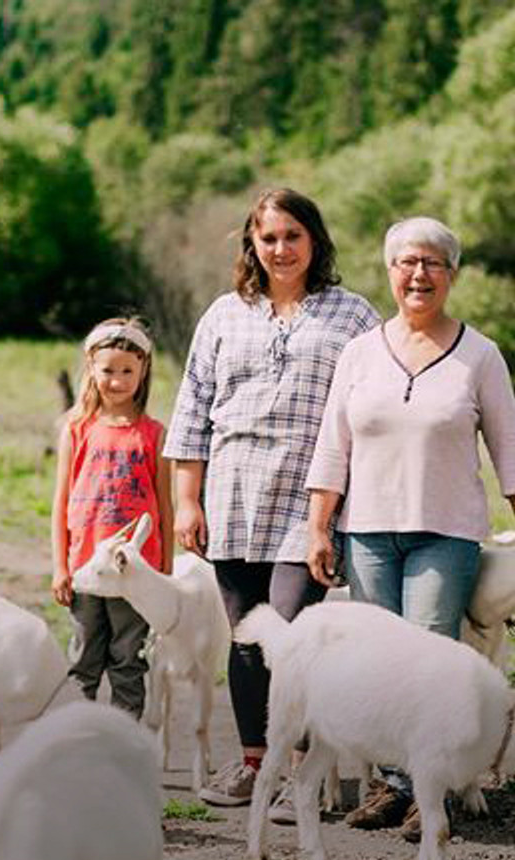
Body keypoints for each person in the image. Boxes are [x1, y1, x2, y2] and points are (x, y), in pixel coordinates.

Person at [303, 216, 515, 837]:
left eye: (433, 263)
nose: (419, 274)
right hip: (367, 532)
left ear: (452, 276)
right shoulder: (359, 352)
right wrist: (319, 527)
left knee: (430, 657)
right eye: (407, 262)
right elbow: (333, 446)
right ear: (390, 272)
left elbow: (511, 450)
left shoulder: (480, 356)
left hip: (447, 531)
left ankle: (429, 788)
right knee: (379, 662)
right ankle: (390, 784)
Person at [163, 189, 381, 816]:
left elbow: (370, 407)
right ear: (252, 246)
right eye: (269, 238)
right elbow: (192, 413)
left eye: (293, 236)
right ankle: (254, 763)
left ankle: (302, 770)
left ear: (314, 241)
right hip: (232, 495)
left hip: (311, 498)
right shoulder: (224, 315)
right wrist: (187, 501)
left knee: (288, 632)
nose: (281, 249)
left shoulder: (352, 316)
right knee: (245, 638)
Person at [51, 317, 172, 719]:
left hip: (134, 575)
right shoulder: (76, 429)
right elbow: (61, 502)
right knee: (83, 658)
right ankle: (75, 741)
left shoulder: (154, 434)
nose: (117, 380)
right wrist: (59, 567)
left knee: (128, 660)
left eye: (127, 371)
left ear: (143, 373)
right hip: (85, 568)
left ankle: (123, 746)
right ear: (91, 369)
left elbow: (164, 507)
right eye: (108, 370)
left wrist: (164, 572)